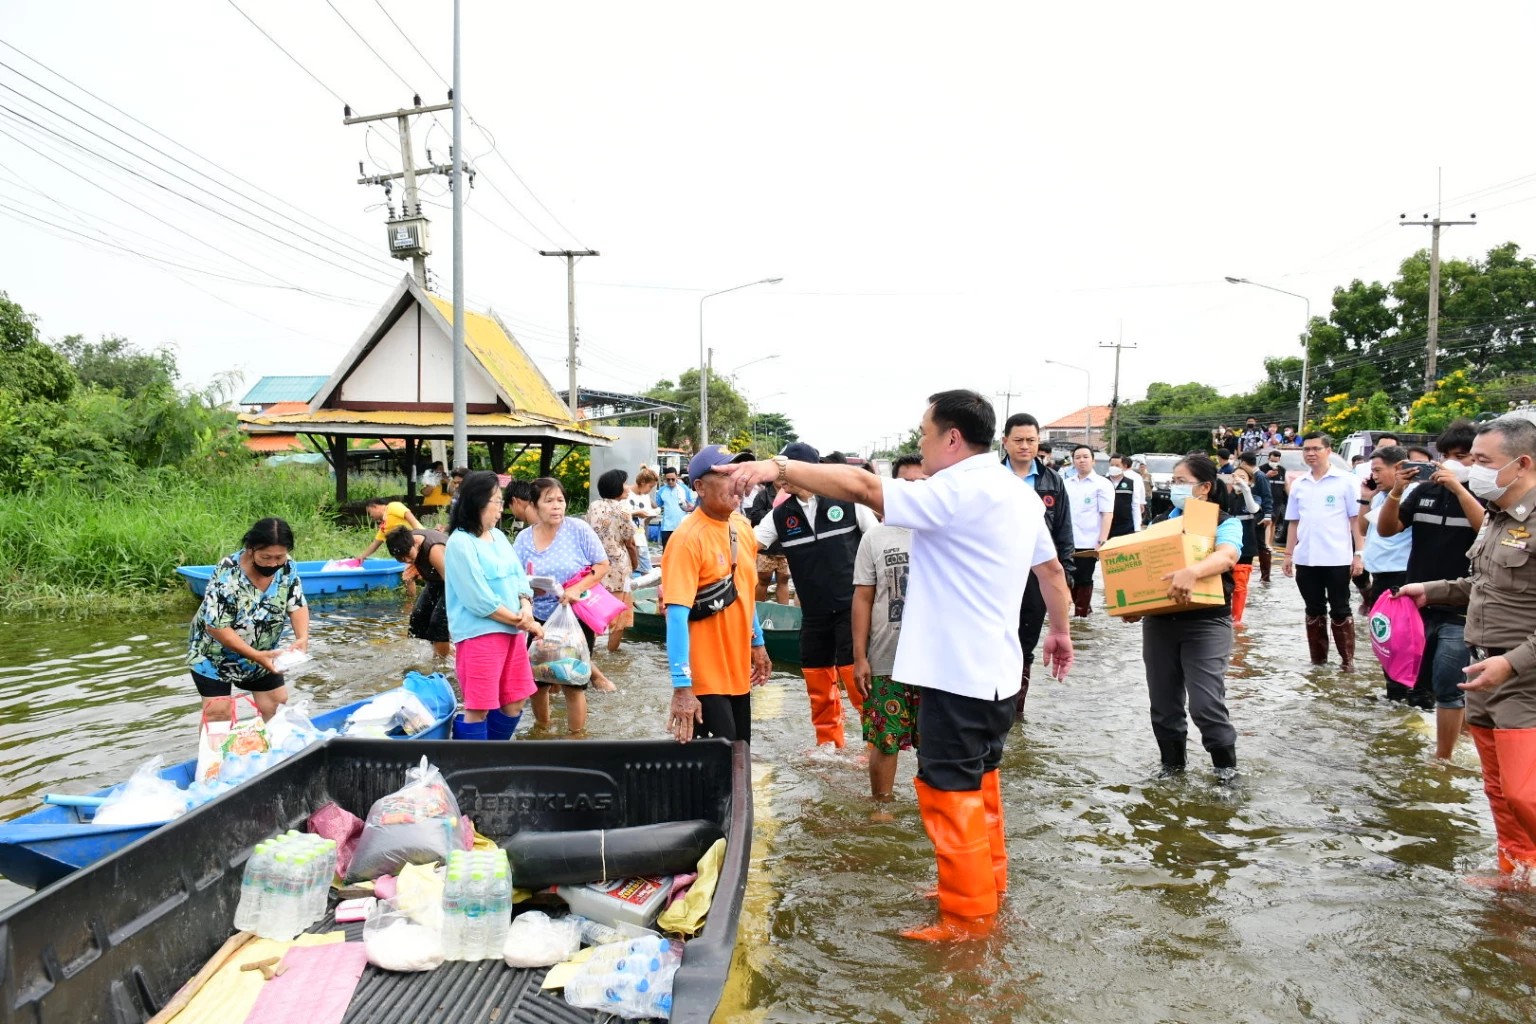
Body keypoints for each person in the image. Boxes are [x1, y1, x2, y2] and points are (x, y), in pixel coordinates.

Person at [717, 390, 1075, 942]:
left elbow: (861, 485)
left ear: (952, 438)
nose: (921, 446)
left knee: (948, 794)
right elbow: (1051, 573)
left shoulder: (954, 490)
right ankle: (987, 885)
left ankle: (965, 922)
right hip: (999, 675)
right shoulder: (1017, 491)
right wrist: (1060, 633)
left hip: (956, 676)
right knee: (982, 785)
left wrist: (778, 467)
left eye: (925, 434)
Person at [1399, 416, 1536, 881]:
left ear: (1522, 464)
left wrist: (1512, 663)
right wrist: (1430, 590)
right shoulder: (1497, 518)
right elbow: (1480, 584)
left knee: (1525, 793)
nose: (1469, 470)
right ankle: (1515, 872)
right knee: (1498, 789)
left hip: (1523, 679)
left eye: (1481, 462)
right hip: (1482, 674)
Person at [752, 442, 881, 749]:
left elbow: (878, 546)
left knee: (857, 684)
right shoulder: (779, 516)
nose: (781, 478)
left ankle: (875, 749)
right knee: (817, 685)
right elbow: (747, 544)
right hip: (812, 615)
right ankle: (830, 749)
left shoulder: (849, 503)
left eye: (787, 469)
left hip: (853, 611)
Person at [1122, 455, 1241, 778]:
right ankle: (1172, 770)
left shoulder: (1225, 522)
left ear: (1204, 488)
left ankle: (1226, 773)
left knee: (1205, 704)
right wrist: (1134, 606)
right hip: (1161, 623)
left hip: (1207, 623)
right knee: (1163, 704)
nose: (1175, 487)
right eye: (1173, 481)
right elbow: (1145, 574)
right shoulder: (1162, 523)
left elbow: (1228, 556)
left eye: (1182, 481)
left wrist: (1193, 572)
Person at [1378, 420, 1483, 759]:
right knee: (1412, 684)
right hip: (1417, 603)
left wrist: (1459, 489)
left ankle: (1444, 760)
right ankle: (1413, 746)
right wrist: (1396, 491)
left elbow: (1486, 532)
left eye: (1463, 456)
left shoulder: (1486, 496)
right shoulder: (1424, 492)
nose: (1452, 462)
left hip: (1460, 606)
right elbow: (1387, 529)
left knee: (1449, 685)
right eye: (1447, 456)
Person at [661, 445, 772, 743]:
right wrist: (682, 687)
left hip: (738, 672)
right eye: (726, 475)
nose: (737, 481)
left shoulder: (741, 526)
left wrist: (758, 644)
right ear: (699, 486)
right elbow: (676, 617)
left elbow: (745, 593)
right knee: (717, 768)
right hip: (704, 680)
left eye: (738, 473)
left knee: (740, 756)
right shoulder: (687, 539)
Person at [511, 477, 616, 734]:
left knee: (573, 681)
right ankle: (542, 728)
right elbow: (514, 578)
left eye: (560, 500)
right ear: (535, 506)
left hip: (574, 618)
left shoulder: (578, 529)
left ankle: (576, 737)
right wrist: (527, 589)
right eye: (549, 501)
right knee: (538, 679)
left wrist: (576, 589)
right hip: (539, 620)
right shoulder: (524, 539)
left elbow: (602, 565)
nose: (557, 506)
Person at [852, 454, 926, 818]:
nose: (914, 490)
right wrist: (860, 656)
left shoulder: (944, 532)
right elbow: (863, 597)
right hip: (886, 658)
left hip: (936, 663)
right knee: (886, 738)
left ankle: (936, 810)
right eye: (906, 484)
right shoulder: (875, 537)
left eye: (921, 483)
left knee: (938, 743)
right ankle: (881, 809)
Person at [443, 471, 540, 741]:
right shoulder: (460, 542)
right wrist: (523, 621)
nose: (500, 509)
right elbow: (478, 600)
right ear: (476, 502)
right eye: (495, 502)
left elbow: (520, 577)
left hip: (513, 632)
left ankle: (496, 756)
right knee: (479, 707)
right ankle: (472, 768)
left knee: (515, 701)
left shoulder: (497, 536)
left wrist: (526, 607)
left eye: (500, 502)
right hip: (480, 635)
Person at [187, 518, 309, 721]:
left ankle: (273, 750)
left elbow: (297, 603)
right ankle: (217, 753)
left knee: (276, 704)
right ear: (250, 549)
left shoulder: (287, 567)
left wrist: (302, 637)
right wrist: (256, 655)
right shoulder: (228, 574)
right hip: (214, 655)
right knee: (218, 713)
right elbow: (217, 627)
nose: (273, 563)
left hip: (263, 653)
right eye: (266, 557)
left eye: (279, 556)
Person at [1000, 413, 1076, 720]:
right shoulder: (991, 478)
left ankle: (1014, 712)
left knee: (1025, 642)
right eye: (1017, 440)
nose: (1024, 446)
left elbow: (1063, 532)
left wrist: (1066, 578)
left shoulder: (1052, 481)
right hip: (997, 574)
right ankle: (990, 703)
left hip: (1038, 576)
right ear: (1004, 442)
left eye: (1031, 440)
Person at [1285, 432, 1363, 670]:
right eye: (1307, 449)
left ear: (1328, 451)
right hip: (1306, 558)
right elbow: (1293, 522)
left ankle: (1347, 662)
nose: (1311, 453)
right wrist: (1288, 555)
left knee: (1340, 608)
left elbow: (1355, 519)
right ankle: (1318, 662)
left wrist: (1359, 553)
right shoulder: (1299, 483)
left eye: (1316, 449)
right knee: (1313, 609)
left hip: (1337, 557)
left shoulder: (1346, 481)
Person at [1357, 446, 1419, 700]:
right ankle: (1394, 693)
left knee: (1403, 641)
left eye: (1378, 470)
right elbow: (1362, 529)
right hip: (1380, 577)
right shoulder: (1381, 494)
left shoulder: (1413, 494)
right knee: (1385, 637)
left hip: (1403, 577)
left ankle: (1411, 696)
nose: (1375, 476)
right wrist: (1365, 497)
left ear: (1399, 467)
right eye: (1372, 471)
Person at [587, 469, 640, 653]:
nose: (627, 487)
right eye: (625, 484)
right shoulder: (623, 510)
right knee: (619, 615)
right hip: (618, 568)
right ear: (616, 487)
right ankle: (612, 653)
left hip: (595, 567)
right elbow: (630, 542)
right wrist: (636, 563)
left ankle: (590, 652)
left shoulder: (594, 506)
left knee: (594, 609)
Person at [386, 524, 452, 658]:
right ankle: (419, 657)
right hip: (436, 580)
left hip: (453, 581)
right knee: (417, 617)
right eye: (401, 559)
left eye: (408, 555)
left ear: (415, 544)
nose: (407, 560)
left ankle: (442, 663)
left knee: (438, 622)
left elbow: (452, 582)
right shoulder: (405, 541)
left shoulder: (433, 550)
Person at [1064, 444, 1114, 617]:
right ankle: (1083, 608)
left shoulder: (1102, 484)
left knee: (1084, 578)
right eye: (1077, 457)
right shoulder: (1066, 484)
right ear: (1073, 461)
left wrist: (1101, 541)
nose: (1081, 460)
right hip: (1068, 541)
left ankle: (1081, 614)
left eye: (1085, 457)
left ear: (1093, 460)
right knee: (1068, 578)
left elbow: (1107, 514)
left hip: (1089, 541)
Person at [746, 479, 793, 605]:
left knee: (783, 580)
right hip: (766, 549)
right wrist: (776, 513)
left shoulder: (791, 494)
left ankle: (784, 612)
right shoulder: (763, 495)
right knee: (763, 581)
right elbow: (754, 515)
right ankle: (757, 611)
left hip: (784, 548)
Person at [1226, 462, 1262, 624]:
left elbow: (1253, 509)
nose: (1238, 480)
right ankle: (1223, 618)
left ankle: (1237, 620)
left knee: (1239, 586)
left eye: (1243, 477)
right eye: (1235, 477)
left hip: (1245, 546)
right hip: (1225, 545)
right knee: (1223, 584)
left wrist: (1246, 490)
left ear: (1250, 481)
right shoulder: (1226, 497)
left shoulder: (1253, 497)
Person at [1237, 451, 1275, 582]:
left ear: (1243, 462)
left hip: (1258, 515)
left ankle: (1265, 576)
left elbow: (1267, 496)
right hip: (1248, 515)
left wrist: (1268, 515)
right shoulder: (1249, 475)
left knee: (1260, 544)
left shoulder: (1259, 476)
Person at [357, 497, 422, 561]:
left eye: (369, 512)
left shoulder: (392, 506)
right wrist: (363, 556)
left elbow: (408, 515)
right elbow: (376, 543)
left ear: (374, 506)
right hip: (408, 550)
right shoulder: (384, 525)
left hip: (418, 541)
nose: (370, 516)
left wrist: (419, 533)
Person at [627, 466, 660, 574]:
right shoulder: (626, 493)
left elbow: (644, 522)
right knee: (628, 569)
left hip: (640, 536)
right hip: (627, 538)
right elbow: (618, 514)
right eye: (650, 486)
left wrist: (650, 516)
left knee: (646, 570)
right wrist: (635, 513)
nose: (650, 490)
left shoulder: (645, 497)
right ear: (642, 482)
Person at [656, 467, 696, 550]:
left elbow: (692, 505)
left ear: (677, 477)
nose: (670, 482)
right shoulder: (662, 491)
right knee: (667, 552)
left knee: (681, 552)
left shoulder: (684, 489)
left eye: (673, 479)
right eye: (668, 480)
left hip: (681, 526)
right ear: (665, 479)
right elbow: (657, 505)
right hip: (666, 527)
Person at [1106, 453, 1142, 539]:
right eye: (1112, 465)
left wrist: (1137, 528)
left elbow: (1135, 505)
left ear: (1124, 467)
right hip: (1106, 525)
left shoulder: (1131, 483)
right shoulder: (1103, 482)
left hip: (1125, 526)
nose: (1114, 467)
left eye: (1117, 465)